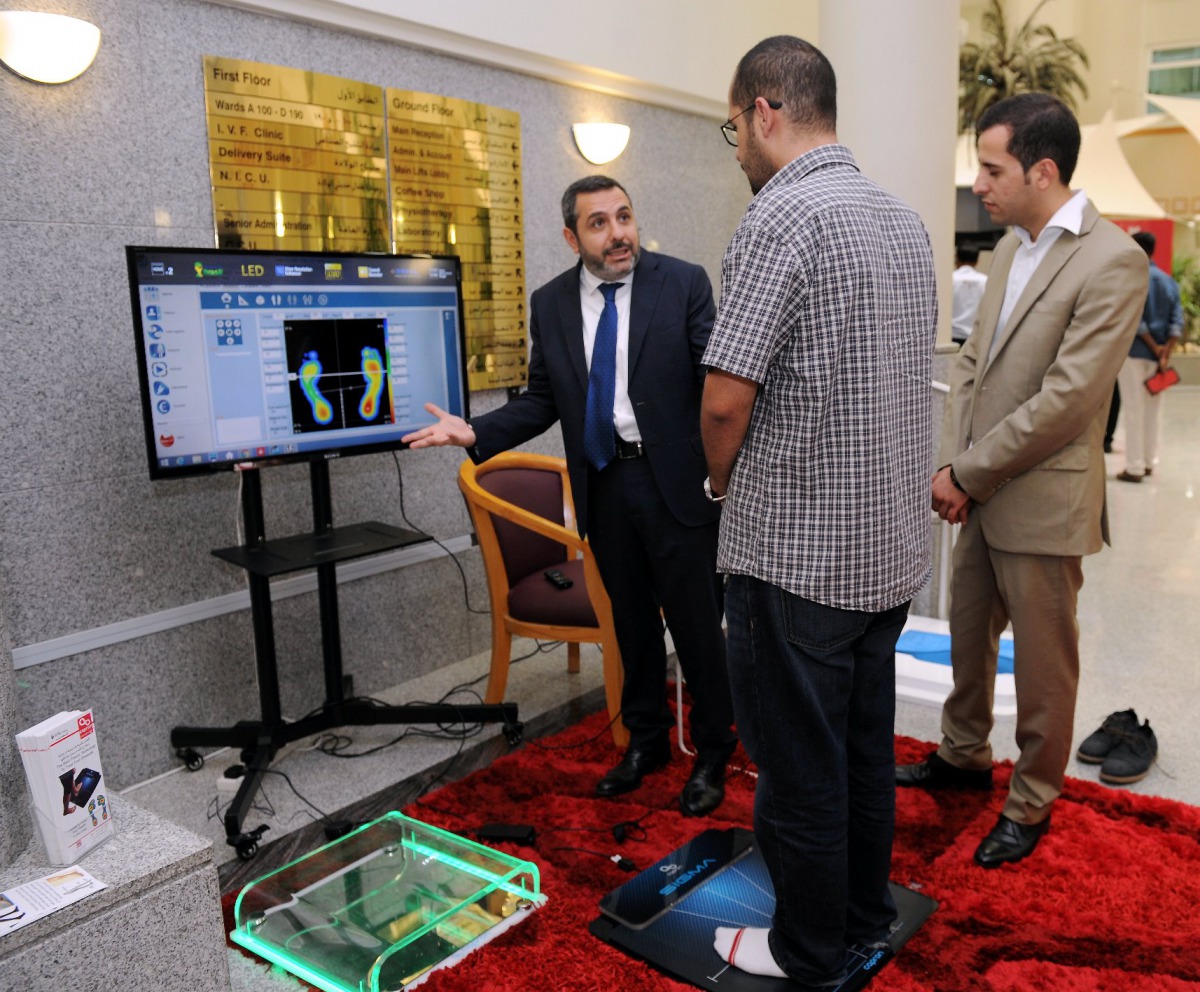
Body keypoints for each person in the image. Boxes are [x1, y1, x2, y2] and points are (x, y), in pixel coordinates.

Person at [700, 36, 936, 988]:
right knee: (862, 755)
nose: (740, 150)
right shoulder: (902, 218)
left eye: (734, 129)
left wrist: (718, 483)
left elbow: (725, 399)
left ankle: (805, 950)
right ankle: (863, 913)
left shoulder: (778, 217)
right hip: (882, 554)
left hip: (795, 556)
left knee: (799, 770)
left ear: (764, 109)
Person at [403, 175, 737, 816]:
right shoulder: (551, 302)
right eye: (600, 223)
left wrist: (726, 475)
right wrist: (475, 431)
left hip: (677, 485)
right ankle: (645, 744)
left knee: (697, 627)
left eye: (625, 217)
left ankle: (716, 749)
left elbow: (713, 384)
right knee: (630, 624)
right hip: (605, 482)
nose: (618, 234)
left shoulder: (684, 282)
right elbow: (541, 398)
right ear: (571, 236)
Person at [896, 94, 1147, 869]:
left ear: (1044, 170)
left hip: (1042, 499)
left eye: (992, 167)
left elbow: (1068, 400)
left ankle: (1033, 798)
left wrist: (966, 470)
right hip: (979, 490)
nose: (979, 183)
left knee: (1042, 665)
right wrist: (955, 467)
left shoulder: (1114, 260)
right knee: (969, 642)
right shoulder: (1010, 248)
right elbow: (971, 364)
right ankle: (963, 757)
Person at [1115, 230, 1184, 482]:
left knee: (1133, 410)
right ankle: (1148, 462)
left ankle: (1133, 468)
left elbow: (1136, 321)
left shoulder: (1134, 280)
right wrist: (1165, 351)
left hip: (1134, 355)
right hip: (1159, 361)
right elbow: (1177, 319)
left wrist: (1154, 347)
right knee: (1153, 409)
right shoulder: (1168, 281)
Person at [952, 244, 988, 344]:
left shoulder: (950, 280)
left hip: (952, 336)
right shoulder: (985, 281)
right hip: (975, 337)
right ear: (977, 261)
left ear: (956, 259)